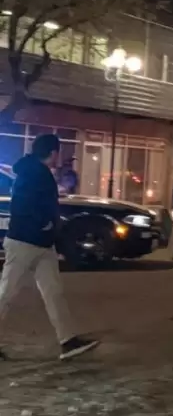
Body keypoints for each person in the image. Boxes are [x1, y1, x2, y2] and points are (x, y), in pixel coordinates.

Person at [0, 134, 98, 360]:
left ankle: (68, 340)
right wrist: (44, 225)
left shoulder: (33, 171)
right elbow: (25, 206)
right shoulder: (35, 174)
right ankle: (68, 341)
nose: (59, 156)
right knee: (8, 293)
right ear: (53, 152)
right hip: (26, 242)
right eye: (58, 152)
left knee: (52, 292)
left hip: (40, 243)